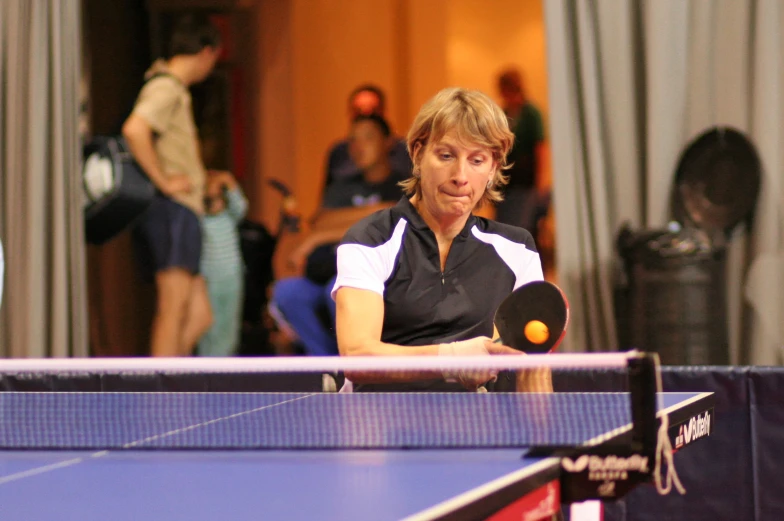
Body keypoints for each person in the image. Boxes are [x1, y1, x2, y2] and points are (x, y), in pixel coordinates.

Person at [332, 87, 551, 393]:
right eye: (446, 155)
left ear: (493, 168)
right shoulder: (370, 239)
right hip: (381, 427)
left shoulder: (517, 249)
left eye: (477, 160)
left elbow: (532, 365)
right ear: (418, 153)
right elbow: (358, 357)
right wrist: (452, 358)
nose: (460, 175)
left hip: (476, 428)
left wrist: (544, 439)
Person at [122, 14, 221, 356]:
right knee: (173, 308)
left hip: (184, 209)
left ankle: (172, 391)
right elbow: (135, 129)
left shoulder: (173, 89)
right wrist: (164, 181)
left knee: (199, 315)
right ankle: (159, 404)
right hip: (172, 210)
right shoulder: (164, 86)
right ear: (207, 52)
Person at [271, 114, 406, 356]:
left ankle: (355, 365)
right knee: (287, 292)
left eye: (368, 138)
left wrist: (320, 236)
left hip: (381, 278)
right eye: (352, 140)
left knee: (340, 289)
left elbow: (393, 219)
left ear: (388, 143)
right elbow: (320, 221)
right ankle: (326, 364)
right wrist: (375, 211)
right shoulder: (341, 187)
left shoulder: (404, 184)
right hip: (329, 270)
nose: (358, 147)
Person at [494, 68, 549, 242]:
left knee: (522, 225)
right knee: (504, 226)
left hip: (526, 181)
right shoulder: (502, 114)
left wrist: (540, 181)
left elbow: (540, 148)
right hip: (506, 182)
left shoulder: (531, 114)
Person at [197, 171, 248, 357]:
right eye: (210, 198)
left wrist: (228, 181)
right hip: (209, 280)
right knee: (210, 327)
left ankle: (226, 362)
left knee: (230, 325)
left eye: (219, 197)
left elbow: (241, 206)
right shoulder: (201, 220)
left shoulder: (229, 217)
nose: (215, 202)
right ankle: (208, 365)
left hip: (232, 278)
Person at [323, 85, 412, 189]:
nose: (366, 113)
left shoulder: (405, 150)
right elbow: (328, 198)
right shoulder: (339, 152)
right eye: (359, 109)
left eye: (373, 109)